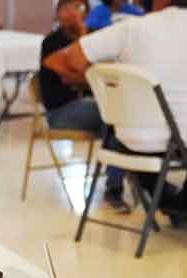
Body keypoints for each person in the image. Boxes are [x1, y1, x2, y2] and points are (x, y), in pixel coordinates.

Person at [44, 0, 187, 222]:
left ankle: (169, 202)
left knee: (116, 121)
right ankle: (179, 203)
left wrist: (101, 79)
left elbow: (64, 60)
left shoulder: (133, 27)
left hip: (140, 142)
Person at [39, 0, 128, 210]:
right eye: (67, 8)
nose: (72, 13)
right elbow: (80, 75)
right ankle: (116, 185)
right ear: (58, 12)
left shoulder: (91, 37)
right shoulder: (52, 42)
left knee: (116, 121)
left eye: (78, 8)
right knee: (114, 117)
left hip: (87, 105)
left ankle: (119, 180)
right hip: (60, 111)